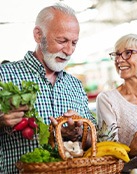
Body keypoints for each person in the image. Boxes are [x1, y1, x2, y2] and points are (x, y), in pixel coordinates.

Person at [0, 3, 96, 174]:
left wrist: (79, 133)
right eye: (62, 41)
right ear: (38, 35)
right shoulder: (3, 76)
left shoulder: (75, 85)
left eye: (74, 42)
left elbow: (92, 140)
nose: (69, 50)